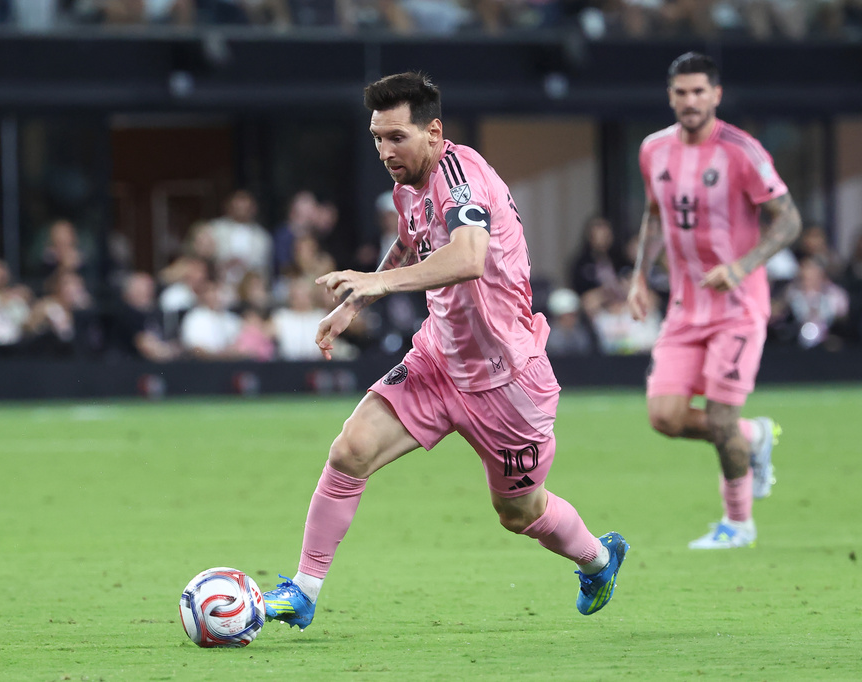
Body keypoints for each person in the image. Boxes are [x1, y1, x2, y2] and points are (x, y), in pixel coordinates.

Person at [261, 72, 629, 631]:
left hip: (508, 383)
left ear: (434, 132)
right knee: (349, 451)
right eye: (377, 138)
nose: (385, 151)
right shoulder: (408, 183)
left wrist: (376, 283)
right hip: (439, 358)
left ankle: (599, 561)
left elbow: (467, 258)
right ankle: (304, 591)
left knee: (518, 512)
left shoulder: (462, 177)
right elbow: (410, 240)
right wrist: (353, 306)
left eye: (397, 137)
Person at [627, 52, 803, 550]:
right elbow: (654, 215)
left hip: (738, 307)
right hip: (686, 308)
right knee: (665, 417)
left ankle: (738, 523)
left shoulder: (742, 151)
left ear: (716, 95)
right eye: (681, 92)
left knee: (721, 417)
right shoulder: (653, 150)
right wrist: (640, 276)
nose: (690, 101)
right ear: (670, 96)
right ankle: (756, 437)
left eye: (700, 91)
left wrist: (743, 266)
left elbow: (789, 221)